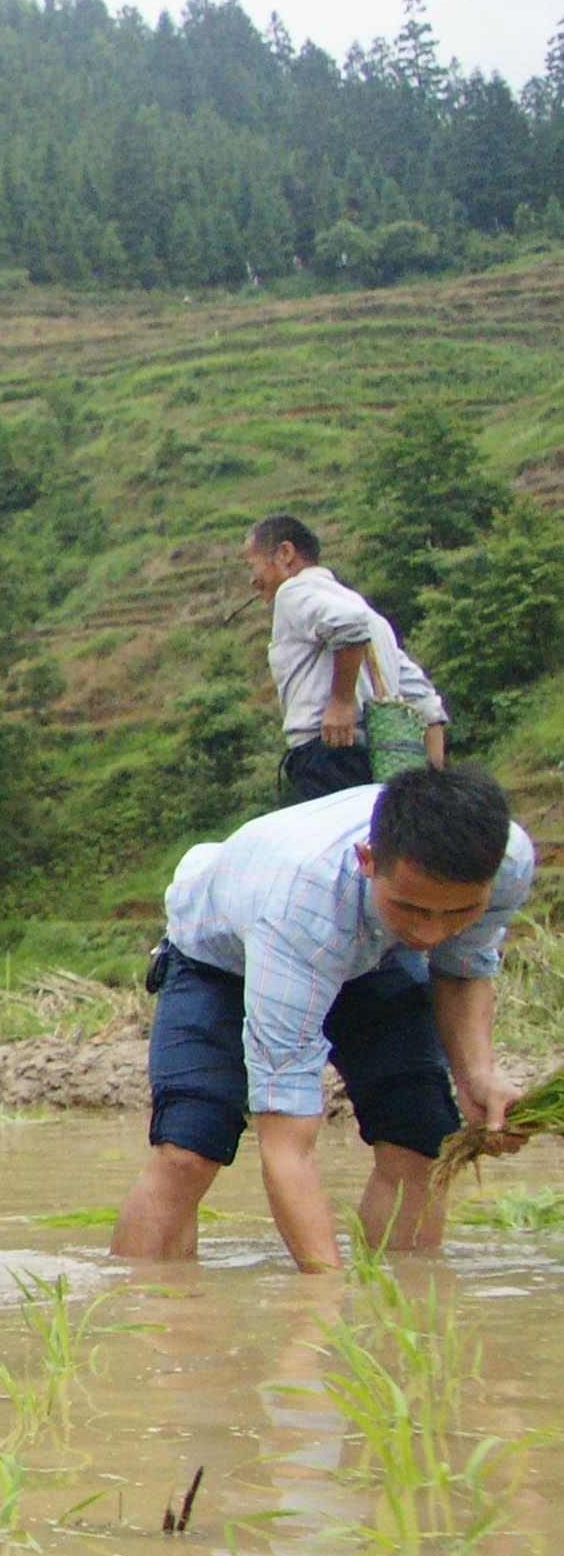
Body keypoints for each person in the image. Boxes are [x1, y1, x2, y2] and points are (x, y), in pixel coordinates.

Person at [111, 766, 535, 1272]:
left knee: (423, 1139)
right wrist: (326, 1298)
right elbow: (287, 1140)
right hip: (221, 959)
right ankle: (143, 1319)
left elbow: (462, 969)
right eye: (412, 907)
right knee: (190, 1146)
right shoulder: (300, 908)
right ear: (368, 860)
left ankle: (405, 1313)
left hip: (373, 952)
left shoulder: (505, 860)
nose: (430, 932)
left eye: (459, 912)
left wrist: (477, 1078)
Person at [249, 516, 447, 806]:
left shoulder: (293, 592)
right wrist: (434, 783)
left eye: (252, 565)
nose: (252, 579)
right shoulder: (368, 614)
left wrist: (341, 703)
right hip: (376, 759)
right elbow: (426, 701)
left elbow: (346, 626)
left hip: (328, 756)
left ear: (285, 554)